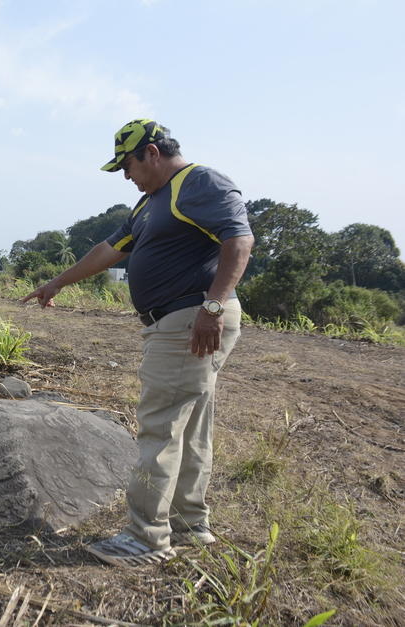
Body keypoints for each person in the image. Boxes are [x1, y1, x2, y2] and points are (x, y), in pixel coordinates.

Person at [22, 119, 254, 567]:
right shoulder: (151, 203)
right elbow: (109, 250)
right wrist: (57, 282)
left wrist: (211, 308)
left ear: (151, 152)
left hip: (191, 318)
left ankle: (146, 538)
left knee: (160, 426)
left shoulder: (198, 182)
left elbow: (239, 241)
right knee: (190, 424)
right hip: (179, 320)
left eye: (127, 165)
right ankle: (190, 524)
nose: (126, 176)